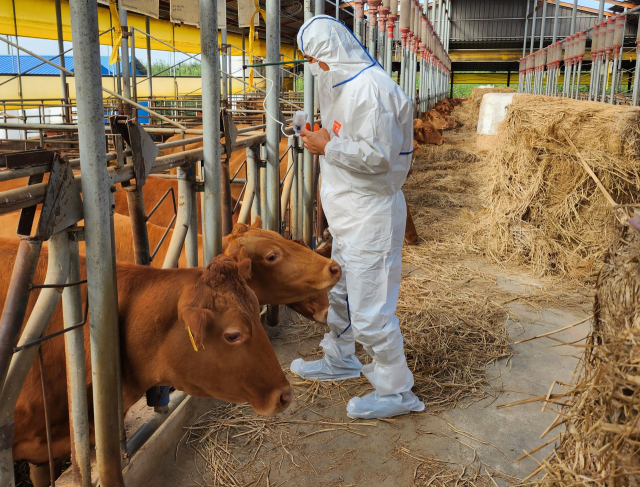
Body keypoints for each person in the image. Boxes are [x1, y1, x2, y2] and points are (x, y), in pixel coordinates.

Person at [290, 15, 425, 419]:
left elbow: (379, 157)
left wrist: (324, 148)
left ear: (328, 55)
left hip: (370, 217)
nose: (312, 66)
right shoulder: (344, 84)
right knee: (343, 294)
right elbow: (350, 139)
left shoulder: (371, 90)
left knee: (371, 312)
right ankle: (340, 360)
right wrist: (319, 136)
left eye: (313, 58)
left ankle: (396, 391)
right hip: (349, 215)